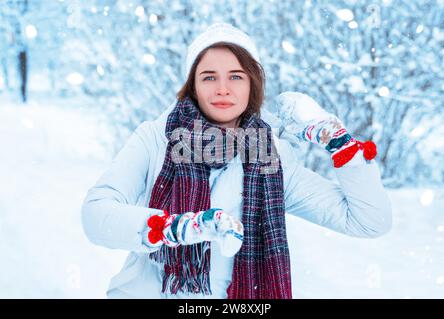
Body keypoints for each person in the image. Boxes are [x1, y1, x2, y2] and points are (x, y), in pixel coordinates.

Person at [81, 23, 392, 299]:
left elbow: (367, 221)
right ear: (193, 86)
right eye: (208, 77)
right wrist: (176, 228)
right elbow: (96, 214)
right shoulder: (156, 140)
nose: (223, 89)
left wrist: (337, 140)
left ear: (252, 83)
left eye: (236, 76)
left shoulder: (272, 159)